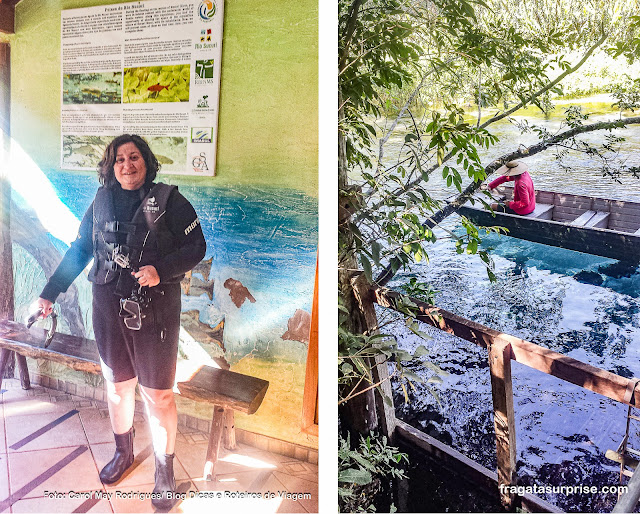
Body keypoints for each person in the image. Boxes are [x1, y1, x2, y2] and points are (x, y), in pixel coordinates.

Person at [33, 134, 206, 508]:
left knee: (158, 394)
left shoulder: (171, 202)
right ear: (111, 167)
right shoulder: (100, 201)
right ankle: (123, 452)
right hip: (108, 306)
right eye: (119, 159)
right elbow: (80, 249)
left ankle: (164, 471)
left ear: (146, 161)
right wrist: (50, 292)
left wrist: (162, 269)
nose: (127, 165)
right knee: (117, 386)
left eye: (134, 157)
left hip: (155, 310)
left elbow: (197, 248)